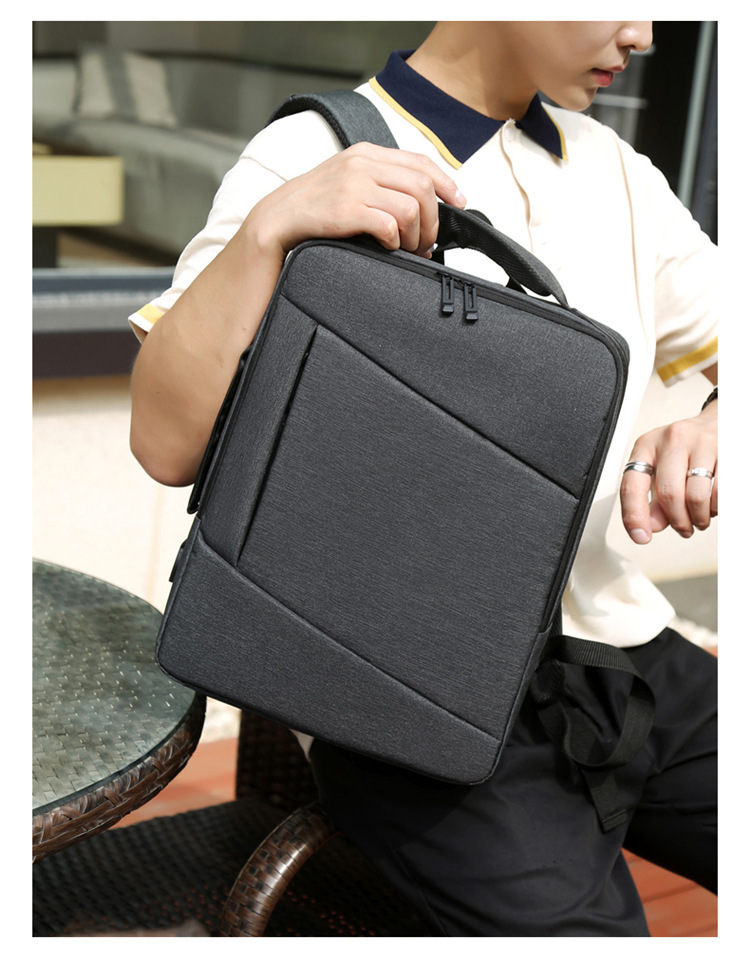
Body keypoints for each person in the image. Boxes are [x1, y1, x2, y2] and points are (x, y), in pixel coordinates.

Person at [129, 22, 717, 936]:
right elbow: (166, 445)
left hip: (621, 651)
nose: (643, 32)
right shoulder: (316, 149)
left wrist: (715, 423)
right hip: (407, 693)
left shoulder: (615, 168)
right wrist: (268, 232)